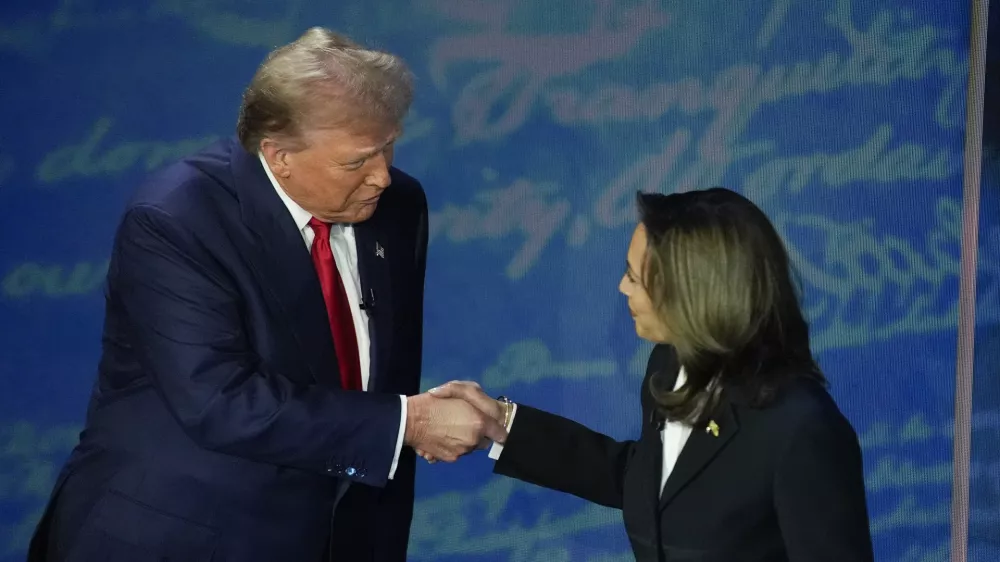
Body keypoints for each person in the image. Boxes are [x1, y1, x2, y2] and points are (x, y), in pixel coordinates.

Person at [27, 27, 505, 562]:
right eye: (357, 161)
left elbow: (382, 375)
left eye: (388, 147)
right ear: (278, 155)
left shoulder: (398, 207)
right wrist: (409, 423)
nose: (382, 177)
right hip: (178, 536)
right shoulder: (176, 221)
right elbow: (220, 402)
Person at [425, 188, 875, 561]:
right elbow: (646, 482)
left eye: (634, 278)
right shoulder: (669, 363)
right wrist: (502, 425)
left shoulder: (801, 429)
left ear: (694, 293)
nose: (623, 288)